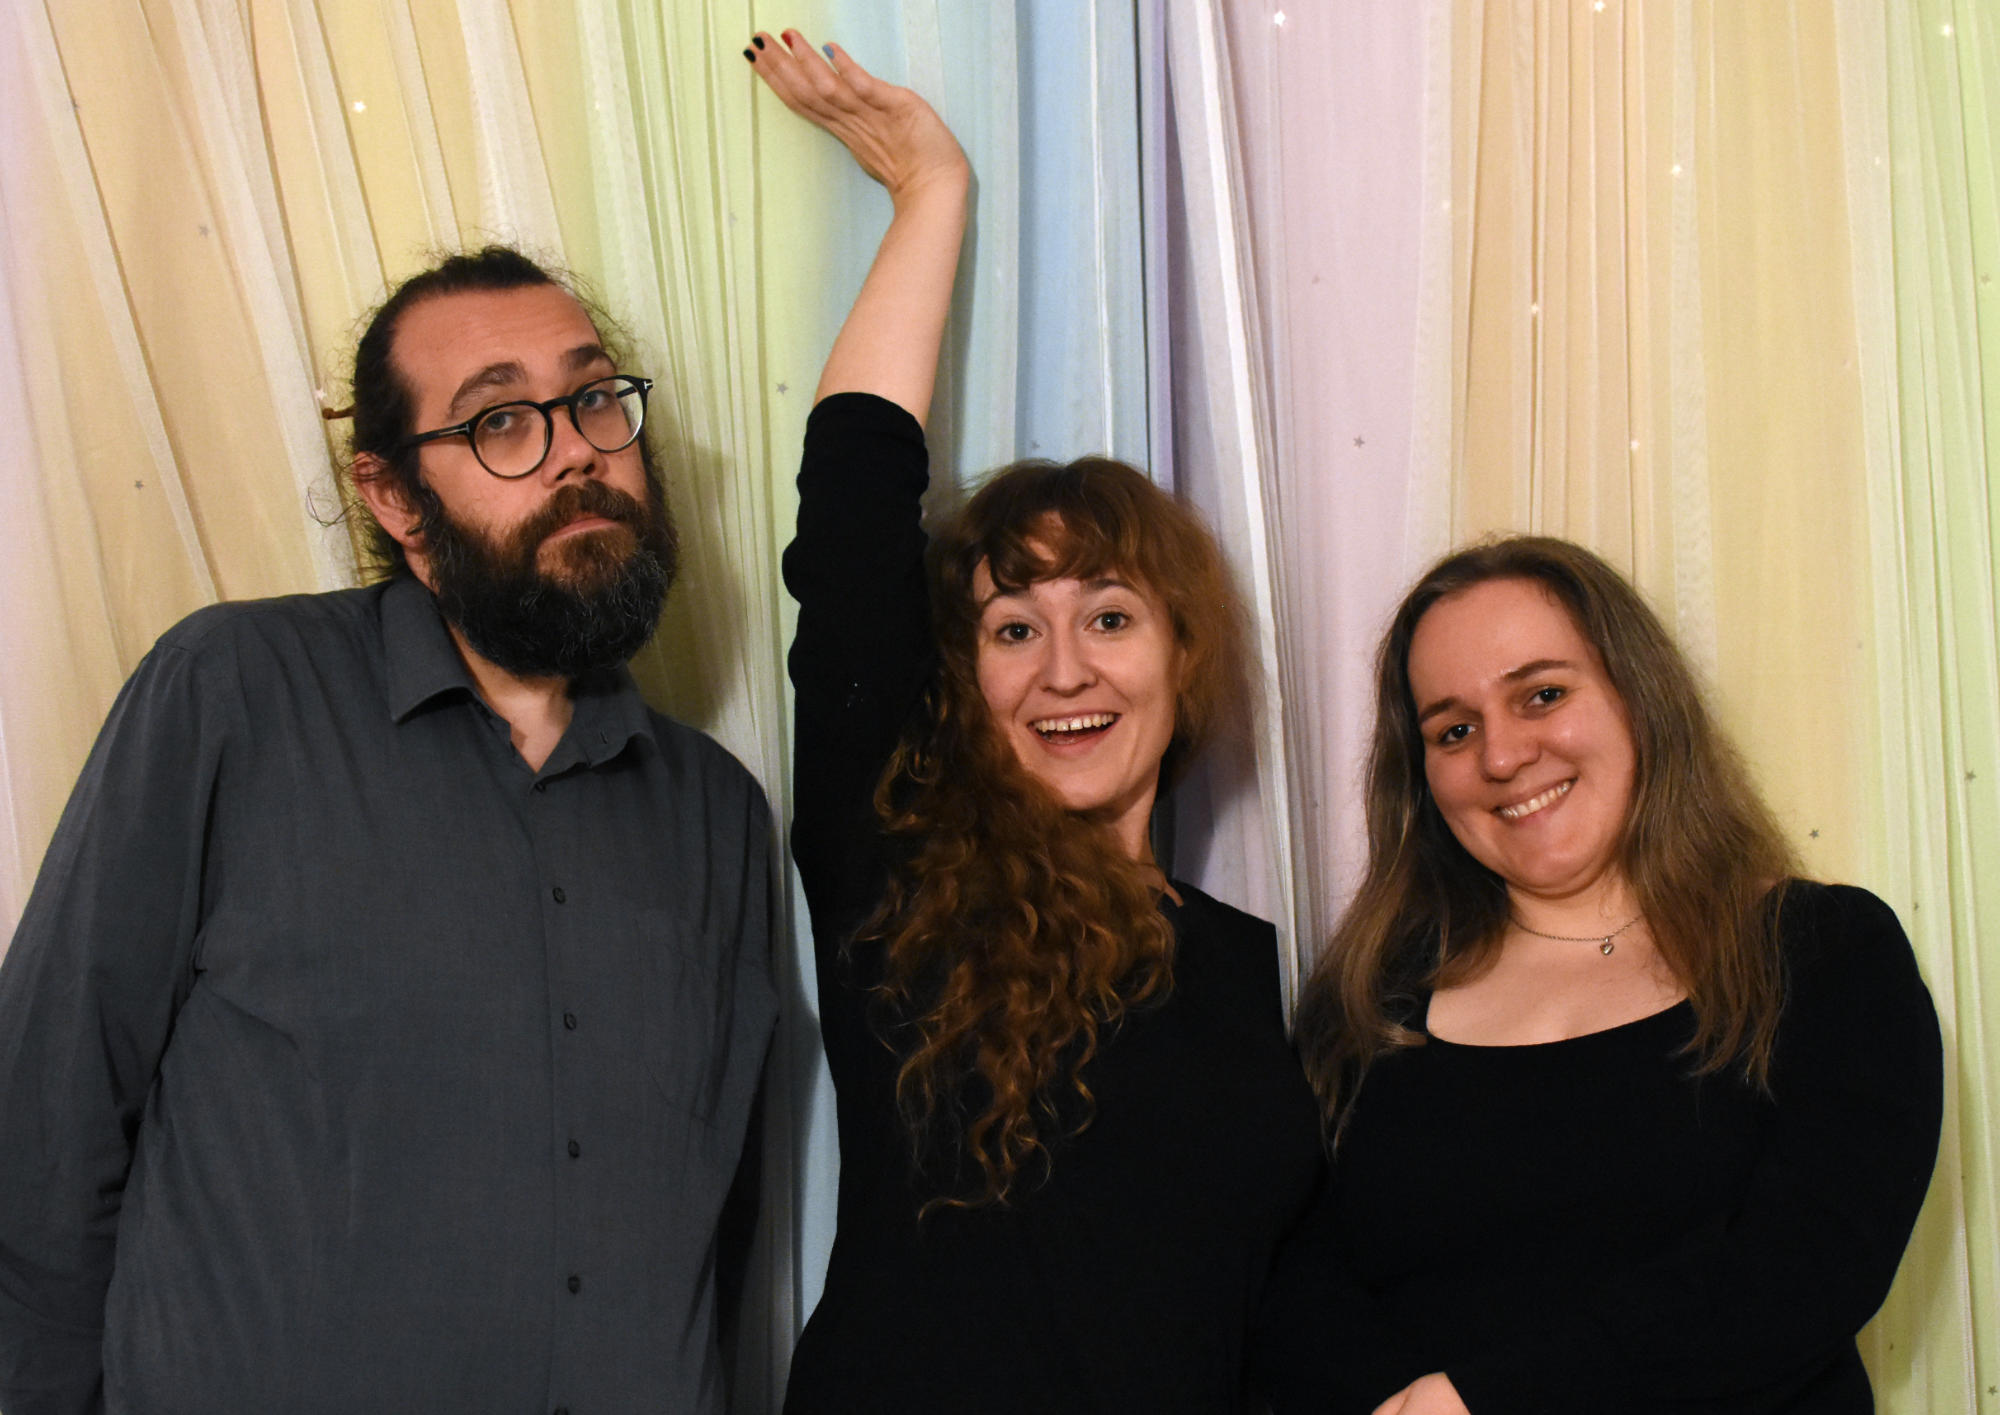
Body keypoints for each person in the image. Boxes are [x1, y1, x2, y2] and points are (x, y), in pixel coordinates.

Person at [0, 247, 777, 1414]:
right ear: (395, 499)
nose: (576, 450)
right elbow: (39, 1142)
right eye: (500, 420)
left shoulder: (717, 810)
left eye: (593, 398)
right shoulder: (234, 694)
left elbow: (717, 1239)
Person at [746, 30, 1322, 1414]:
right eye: (1013, 627)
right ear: (966, 678)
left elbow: (1265, 1309)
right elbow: (854, 518)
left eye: (1109, 616)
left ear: (1184, 655)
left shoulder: (1241, 964)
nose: (1065, 668)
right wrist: (931, 190)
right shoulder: (903, 875)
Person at [1260, 537, 1943, 1414]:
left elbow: (1808, 1266)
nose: (1501, 756)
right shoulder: (1369, 1000)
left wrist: (1484, 1400)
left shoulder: (1826, 952)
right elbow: (1296, 1287)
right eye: (1454, 730)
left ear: (1638, 697)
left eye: (1542, 695)